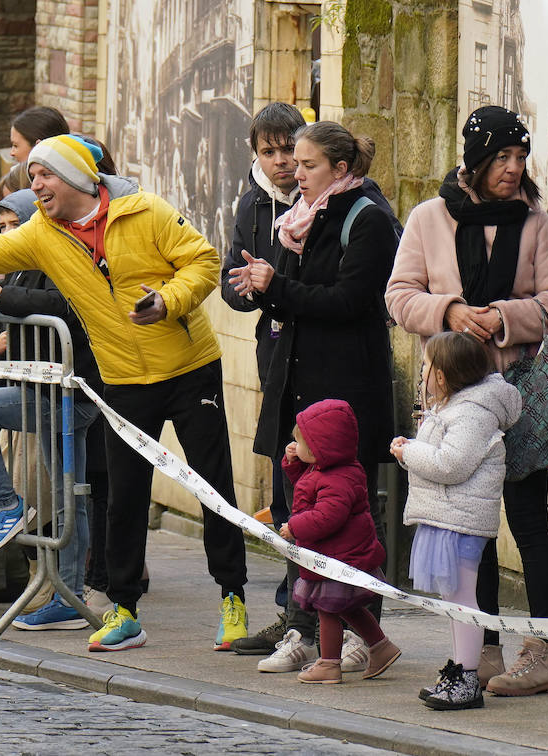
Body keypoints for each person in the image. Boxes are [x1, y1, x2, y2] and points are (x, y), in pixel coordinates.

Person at [0, 133, 250, 652]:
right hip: (123, 379)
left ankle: (232, 598)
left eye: (44, 174)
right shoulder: (41, 234)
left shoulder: (145, 211)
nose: (36, 185)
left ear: (77, 176)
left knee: (212, 488)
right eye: (31, 177)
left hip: (190, 369)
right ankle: (123, 610)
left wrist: (168, 301)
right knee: (124, 497)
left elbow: (204, 262)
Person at [385, 105, 548, 695]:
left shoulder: (536, 224)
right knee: (474, 523)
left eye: (520, 158)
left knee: (528, 518)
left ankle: (542, 653)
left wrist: (502, 317)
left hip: (516, 394)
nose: (513, 170)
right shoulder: (428, 218)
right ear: (477, 159)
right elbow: (398, 295)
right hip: (450, 397)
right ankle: (484, 648)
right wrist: (449, 311)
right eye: (502, 158)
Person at [228, 121, 399, 674]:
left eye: (307, 165)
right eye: (293, 164)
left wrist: (277, 286)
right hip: (298, 386)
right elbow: (296, 305)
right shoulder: (300, 221)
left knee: (350, 520)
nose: (294, 174)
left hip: (343, 390)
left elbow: (349, 301)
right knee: (296, 508)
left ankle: (360, 632)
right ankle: (302, 626)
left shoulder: (367, 219)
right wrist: (263, 286)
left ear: (340, 169)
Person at [0, 189, 103, 630]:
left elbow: (65, 306)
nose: (6, 234)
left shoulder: (61, 255)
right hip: (46, 390)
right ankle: (69, 596)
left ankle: (6, 506)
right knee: (67, 495)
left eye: (13, 225)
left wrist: (1, 298)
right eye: (0, 227)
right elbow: (9, 304)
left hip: (69, 394)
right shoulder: (22, 264)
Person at [392, 331, 521, 710]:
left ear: (444, 375)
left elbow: (451, 464)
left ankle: (467, 677)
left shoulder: (471, 413)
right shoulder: (454, 406)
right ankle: (460, 669)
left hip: (461, 520)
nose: (422, 371)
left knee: (463, 597)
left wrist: (408, 451)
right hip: (446, 515)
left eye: (427, 364)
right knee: (453, 598)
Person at [220, 102, 306, 657]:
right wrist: (245, 288)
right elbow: (230, 280)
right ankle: (288, 606)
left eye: (286, 150)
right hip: (272, 351)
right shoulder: (252, 202)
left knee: (312, 479)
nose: (278, 162)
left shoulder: (322, 194)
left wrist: (274, 282)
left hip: (315, 348)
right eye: (268, 152)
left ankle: (310, 605)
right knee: (281, 477)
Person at [278, 399, 399, 685]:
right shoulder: (328, 469)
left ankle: (329, 664)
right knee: (348, 607)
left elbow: (326, 516)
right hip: (337, 555)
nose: (295, 445)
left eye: (301, 442)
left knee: (328, 610)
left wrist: (294, 527)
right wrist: (294, 463)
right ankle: (381, 647)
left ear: (322, 446)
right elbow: (307, 489)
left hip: (337, 557)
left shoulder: (338, 478)